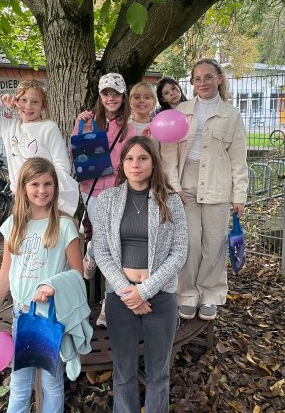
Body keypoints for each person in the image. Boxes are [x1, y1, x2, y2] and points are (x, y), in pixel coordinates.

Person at [0, 157, 84, 413]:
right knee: (20, 384)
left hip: (49, 317)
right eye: (35, 184)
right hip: (20, 315)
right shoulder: (13, 226)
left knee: (51, 383)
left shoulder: (65, 226)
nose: (42, 190)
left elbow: (79, 274)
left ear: (55, 187)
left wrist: (54, 285)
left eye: (48, 184)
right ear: (23, 187)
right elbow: (5, 274)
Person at [92, 135, 187, 413]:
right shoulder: (107, 200)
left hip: (159, 297)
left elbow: (179, 252)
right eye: (130, 158)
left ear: (153, 163)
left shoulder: (170, 200)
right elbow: (102, 251)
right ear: (122, 164)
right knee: (123, 373)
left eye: (143, 158)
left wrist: (143, 291)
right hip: (120, 298)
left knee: (159, 373)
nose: (136, 164)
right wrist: (128, 292)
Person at [159, 59, 248, 322]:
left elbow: (238, 158)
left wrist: (239, 195)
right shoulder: (182, 110)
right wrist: (173, 185)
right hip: (185, 184)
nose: (203, 83)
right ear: (192, 83)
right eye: (197, 79)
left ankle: (210, 294)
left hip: (217, 184)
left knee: (213, 243)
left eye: (208, 77)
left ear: (219, 78)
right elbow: (169, 153)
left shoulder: (231, 115)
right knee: (188, 243)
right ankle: (186, 294)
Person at [71, 72, 135, 327]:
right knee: (105, 241)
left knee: (114, 246)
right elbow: (74, 154)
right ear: (100, 95)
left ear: (123, 96)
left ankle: (109, 305)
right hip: (93, 190)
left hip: (120, 191)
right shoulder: (86, 122)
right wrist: (79, 127)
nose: (111, 98)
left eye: (116, 93)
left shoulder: (129, 125)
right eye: (106, 93)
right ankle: (92, 253)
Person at [0, 79, 80, 216]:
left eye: (35, 101)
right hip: (20, 196)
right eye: (23, 100)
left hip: (43, 197)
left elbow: (61, 165)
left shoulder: (48, 128)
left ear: (43, 105)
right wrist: (1, 102)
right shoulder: (9, 127)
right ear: (16, 102)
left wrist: (50, 193)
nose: (28, 106)